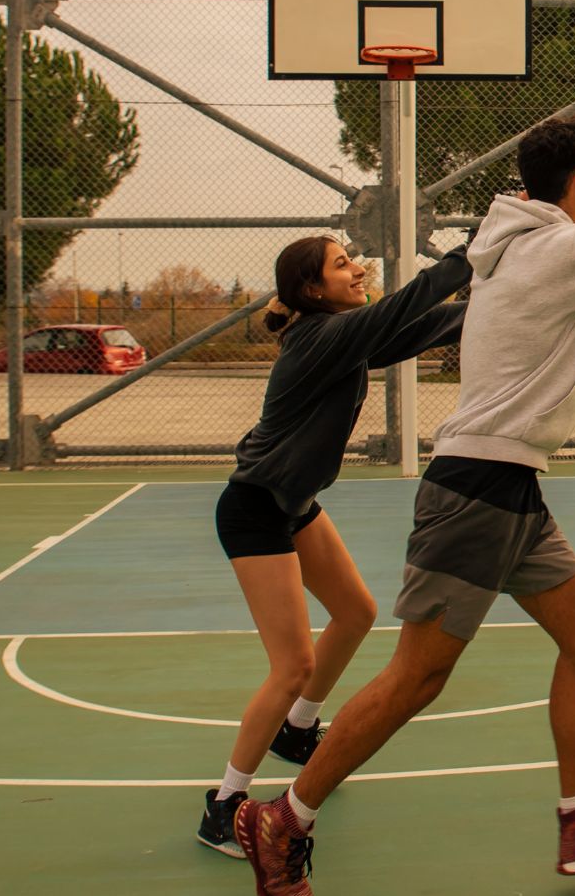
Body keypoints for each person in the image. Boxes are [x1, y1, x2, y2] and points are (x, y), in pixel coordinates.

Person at [235, 112, 575, 896]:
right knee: (418, 676)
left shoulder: (541, 241)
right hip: (477, 489)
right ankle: (284, 818)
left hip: (510, 486)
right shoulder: (559, 250)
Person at [196, 236, 471, 856]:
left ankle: (297, 734)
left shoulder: (342, 335)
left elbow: (426, 327)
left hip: (292, 505)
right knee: (292, 665)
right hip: (256, 510)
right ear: (312, 291)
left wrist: (509, 302)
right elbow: (405, 309)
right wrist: (469, 255)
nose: (358, 269)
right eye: (342, 264)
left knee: (356, 613)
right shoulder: (320, 337)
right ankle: (224, 805)